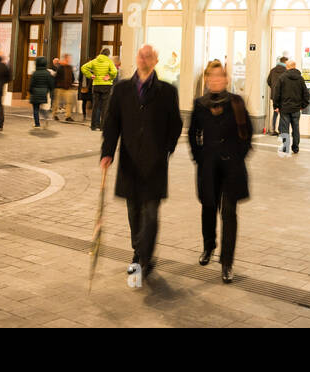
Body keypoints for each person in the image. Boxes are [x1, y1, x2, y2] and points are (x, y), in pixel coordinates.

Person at [100, 44, 182, 287]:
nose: (144, 58)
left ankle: (145, 257)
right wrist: (107, 153)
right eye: (141, 55)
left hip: (155, 163)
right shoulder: (122, 89)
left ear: (155, 61)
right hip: (129, 161)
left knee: (151, 214)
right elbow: (112, 123)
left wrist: (166, 148)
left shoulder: (167, 91)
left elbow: (175, 124)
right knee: (134, 211)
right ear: (136, 59)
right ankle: (138, 252)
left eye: (149, 56)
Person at [188, 60, 252, 283]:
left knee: (229, 214)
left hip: (231, 168)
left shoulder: (236, 102)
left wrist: (237, 156)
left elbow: (248, 133)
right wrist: (199, 157)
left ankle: (227, 262)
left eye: (219, 76)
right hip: (208, 167)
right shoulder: (200, 104)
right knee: (208, 208)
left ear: (226, 79)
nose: (216, 80)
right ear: (207, 80)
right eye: (211, 76)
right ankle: (209, 246)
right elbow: (193, 134)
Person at [272, 60, 309, 155]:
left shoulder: (282, 78)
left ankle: (285, 147)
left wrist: (276, 106)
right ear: (295, 66)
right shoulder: (300, 79)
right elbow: (306, 94)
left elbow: (277, 93)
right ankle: (295, 148)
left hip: (284, 108)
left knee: (284, 129)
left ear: (287, 67)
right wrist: (303, 106)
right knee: (296, 128)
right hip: (296, 108)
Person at [82, 46, 119, 131]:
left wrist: (90, 75)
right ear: (108, 54)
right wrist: (109, 77)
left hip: (96, 85)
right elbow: (114, 72)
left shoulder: (95, 61)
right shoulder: (109, 61)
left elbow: (83, 68)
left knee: (95, 105)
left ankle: (93, 125)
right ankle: (103, 126)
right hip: (106, 86)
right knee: (104, 107)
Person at [27, 56, 54, 129]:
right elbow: (51, 84)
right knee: (41, 107)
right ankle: (45, 117)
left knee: (36, 109)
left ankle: (37, 124)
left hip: (35, 93)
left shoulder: (35, 73)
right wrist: (48, 91)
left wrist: (30, 91)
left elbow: (31, 84)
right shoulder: (47, 73)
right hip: (43, 93)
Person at [265, 55, 288, 135]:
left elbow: (268, 81)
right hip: (283, 96)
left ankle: (273, 130)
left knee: (275, 113)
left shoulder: (273, 70)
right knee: (282, 114)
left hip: (274, 96)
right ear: (285, 62)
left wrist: (273, 88)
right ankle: (281, 130)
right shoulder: (286, 71)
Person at [52, 57, 76, 122]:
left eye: (68, 59)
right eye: (67, 59)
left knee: (69, 102)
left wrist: (71, 83)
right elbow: (56, 77)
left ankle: (68, 116)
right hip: (59, 88)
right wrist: (56, 85)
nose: (68, 60)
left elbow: (73, 77)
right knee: (56, 102)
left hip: (68, 88)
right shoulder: (60, 68)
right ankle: (54, 115)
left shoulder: (70, 68)